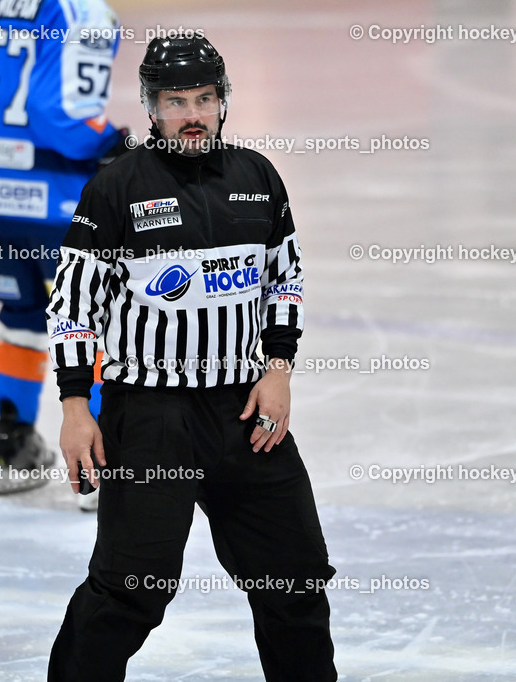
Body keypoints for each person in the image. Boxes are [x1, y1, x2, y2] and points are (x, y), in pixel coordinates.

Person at [45, 36, 338, 681]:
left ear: (223, 101)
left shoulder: (258, 178)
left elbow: (283, 281)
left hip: (245, 413)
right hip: (152, 419)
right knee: (131, 593)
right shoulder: (116, 187)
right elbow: (72, 307)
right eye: (176, 101)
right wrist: (74, 407)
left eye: (205, 98)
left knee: (294, 584)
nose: (193, 113)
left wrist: (279, 368)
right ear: (151, 107)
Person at [0, 0, 127, 500]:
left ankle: (13, 448)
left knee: (21, 319)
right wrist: (116, 145)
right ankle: (102, 466)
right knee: (96, 321)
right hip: (59, 198)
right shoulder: (81, 9)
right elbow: (61, 114)